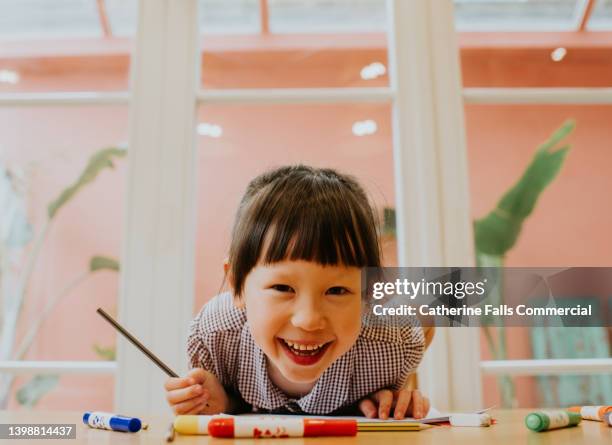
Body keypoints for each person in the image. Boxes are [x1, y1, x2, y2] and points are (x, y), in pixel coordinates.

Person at [164, 165, 430, 419]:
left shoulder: (392, 340)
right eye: (282, 288)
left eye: (337, 290)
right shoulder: (215, 335)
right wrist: (223, 401)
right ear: (237, 284)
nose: (308, 319)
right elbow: (238, 405)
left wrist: (391, 395)